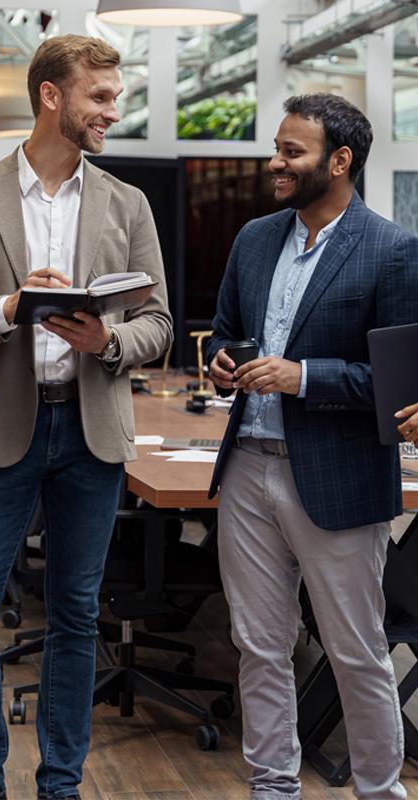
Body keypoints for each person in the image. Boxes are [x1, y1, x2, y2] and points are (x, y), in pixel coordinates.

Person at [0, 34, 173, 800]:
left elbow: (158, 322)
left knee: (73, 614)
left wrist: (108, 339)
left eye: (115, 97)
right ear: (51, 96)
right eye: (99, 97)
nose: (112, 111)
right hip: (0, 430)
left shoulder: (128, 204)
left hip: (91, 433)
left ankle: (60, 783)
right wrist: (10, 305)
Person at [207, 93, 417, 800]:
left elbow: (395, 385)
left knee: (357, 653)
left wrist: (303, 377)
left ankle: (380, 791)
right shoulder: (255, 239)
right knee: (259, 644)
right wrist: (225, 362)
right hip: (247, 468)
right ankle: (272, 784)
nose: (276, 163)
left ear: (341, 160)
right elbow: (228, 327)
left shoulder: (392, 251)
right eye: (277, 148)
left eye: (291, 152)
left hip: (339, 476)